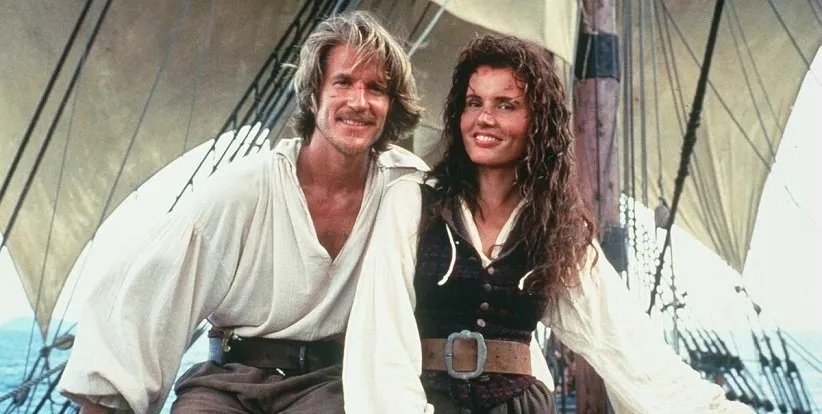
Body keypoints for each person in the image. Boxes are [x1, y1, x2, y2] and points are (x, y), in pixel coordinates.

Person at [342, 35, 755, 413]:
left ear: (537, 121)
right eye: (474, 102)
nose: (484, 118)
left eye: (506, 105)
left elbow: (624, 341)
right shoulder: (412, 201)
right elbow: (381, 337)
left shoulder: (554, 230)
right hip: (426, 401)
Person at [58, 10, 428, 414]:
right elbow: (149, 296)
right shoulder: (244, 188)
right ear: (314, 94)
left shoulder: (404, 188)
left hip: (331, 385)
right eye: (343, 82)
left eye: (376, 89)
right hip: (230, 381)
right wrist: (107, 398)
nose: (359, 102)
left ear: (391, 105)